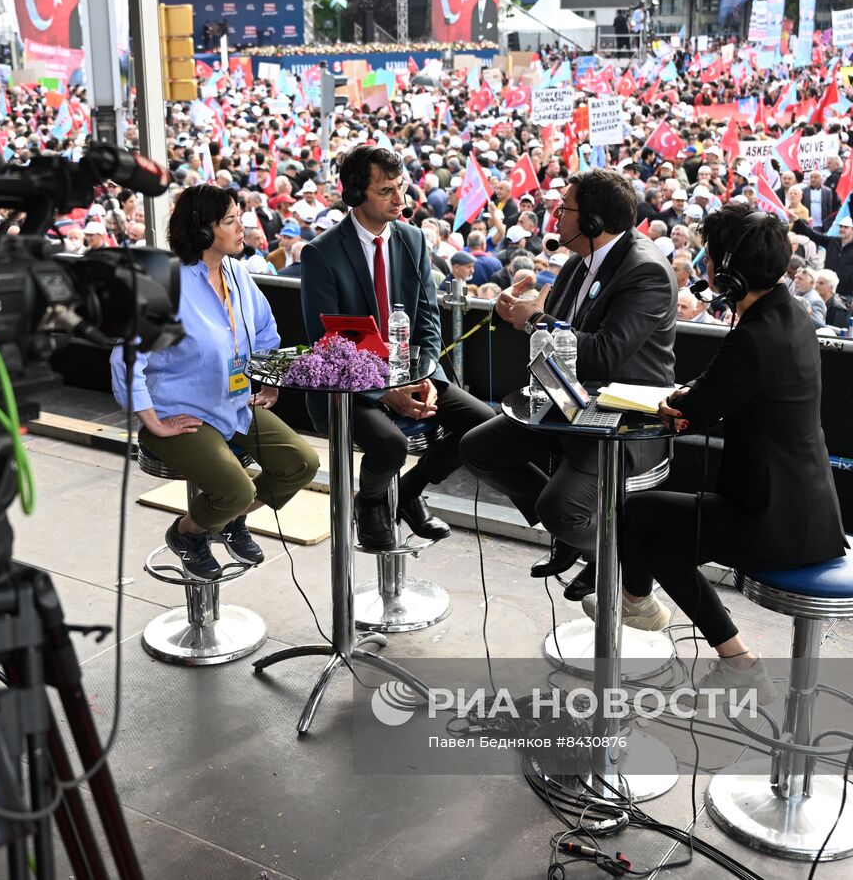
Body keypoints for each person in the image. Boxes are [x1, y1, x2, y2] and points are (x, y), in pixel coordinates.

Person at [608, 203, 847, 703]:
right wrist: (692, 396)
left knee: (637, 512)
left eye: (712, 259)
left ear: (728, 272)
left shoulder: (756, 337)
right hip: (804, 508)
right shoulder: (789, 314)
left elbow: (695, 410)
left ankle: (634, 603)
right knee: (655, 543)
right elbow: (723, 389)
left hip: (773, 519)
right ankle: (733, 657)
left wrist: (679, 403)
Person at [461, 169, 676, 581]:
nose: (556, 217)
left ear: (593, 221)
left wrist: (536, 320)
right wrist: (517, 310)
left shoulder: (644, 271)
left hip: (620, 416)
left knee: (561, 507)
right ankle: (577, 540)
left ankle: (619, 564)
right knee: (477, 450)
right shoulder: (581, 259)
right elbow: (560, 326)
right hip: (565, 401)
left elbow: (604, 355)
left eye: (565, 208)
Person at [110, 183, 319, 578]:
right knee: (238, 488)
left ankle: (229, 521)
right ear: (203, 230)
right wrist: (152, 421)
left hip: (235, 405)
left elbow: (263, 331)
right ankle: (188, 534)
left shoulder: (238, 273)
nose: (242, 226)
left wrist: (269, 382)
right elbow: (126, 357)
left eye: (240, 217)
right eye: (230, 220)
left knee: (301, 463)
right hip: (180, 415)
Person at [300, 145, 494, 548]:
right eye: (386, 191)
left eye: (401, 188)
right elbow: (329, 344)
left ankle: (408, 492)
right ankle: (370, 503)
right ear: (355, 195)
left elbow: (427, 319)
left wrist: (427, 379)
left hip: (410, 371)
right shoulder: (321, 252)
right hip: (349, 386)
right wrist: (385, 393)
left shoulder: (412, 239)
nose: (400, 201)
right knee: (391, 444)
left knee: (485, 426)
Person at [791, 214, 853, 302]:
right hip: (826, 290)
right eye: (841, 226)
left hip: (846, 293)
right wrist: (797, 221)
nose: (842, 229)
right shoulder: (832, 241)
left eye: (846, 227)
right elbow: (812, 234)